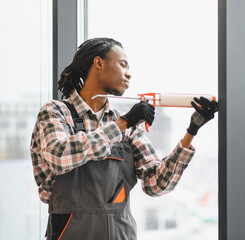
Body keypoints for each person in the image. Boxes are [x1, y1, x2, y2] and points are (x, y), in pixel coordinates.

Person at [30, 37, 218, 240]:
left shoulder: (126, 125)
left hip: (121, 233)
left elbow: (156, 184)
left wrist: (192, 130)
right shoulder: (56, 112)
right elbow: (59, 157)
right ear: (99, 63)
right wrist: (123, 124)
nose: (129, 73)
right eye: (122, 64)